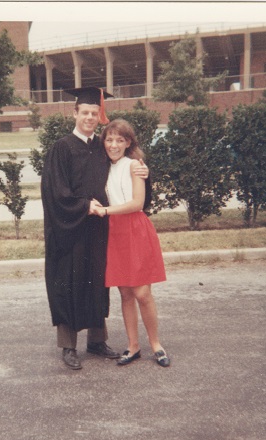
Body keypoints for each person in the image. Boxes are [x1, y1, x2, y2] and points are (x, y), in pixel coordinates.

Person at [41, 87, 148, 370]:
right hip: (69, 229)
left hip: (99, 228)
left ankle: (97, 341)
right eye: (84, 112)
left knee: (97, 281)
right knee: (68, 282)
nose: (89, 117)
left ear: (99, 116)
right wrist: (84, 206)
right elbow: (55, 191)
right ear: (74, 113)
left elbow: (125, 165)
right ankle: (68, 345)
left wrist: (142, 169)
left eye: (94, 113)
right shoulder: (62, 148)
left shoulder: (102, 148)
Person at [98, 119, 170, 367]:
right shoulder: (101, 166)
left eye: (120, 140)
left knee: (142, 292)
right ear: (103, 142)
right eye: (109, 139)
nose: (114, 145)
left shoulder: (134, 165)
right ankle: (133, 346)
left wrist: (106, 211)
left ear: (128, 142)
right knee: (125, 292)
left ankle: (156, 345)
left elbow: (138, 203)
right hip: (114, 232)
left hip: (134, 228)